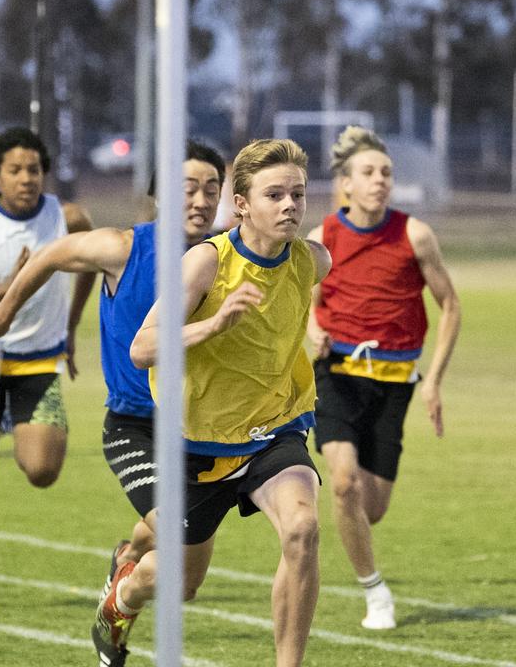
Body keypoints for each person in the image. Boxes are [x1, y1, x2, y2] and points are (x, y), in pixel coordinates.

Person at [105, 138, 331, 667]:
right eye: (274, 194)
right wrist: (214, 322)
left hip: (274, 431)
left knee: (303, 529)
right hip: (197, 447)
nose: (290, 205)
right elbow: (142, 348)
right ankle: (120, 600)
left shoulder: (310, 259)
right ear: (242, 204)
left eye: (297, 194)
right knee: (178, 584)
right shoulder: (206, 263)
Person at [0, 141, 227, 596]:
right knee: (177, 534)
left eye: (212, 188)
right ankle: (122, 601)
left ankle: (129, 556)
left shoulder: (228, 254)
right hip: (136, 424)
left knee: (185, 582)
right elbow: (51, 255)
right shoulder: (123, 249)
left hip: (201, 427)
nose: (201, 200)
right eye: (188, 187)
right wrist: (4, 312)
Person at [306, 126, 461, 630]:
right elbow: (305, 302)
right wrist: (313, 328)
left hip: (396, 381)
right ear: (346, 184)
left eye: (386, 173)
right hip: (338, 375)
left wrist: (433, 381)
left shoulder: (415, 234)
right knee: (344, 483)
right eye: (368, 173)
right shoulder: (321, 238)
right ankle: (375, 592)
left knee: (369, 509)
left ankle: (361, 554)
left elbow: (451, 307)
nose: (380, 181)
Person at [0, 126, 94, 611]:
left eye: (34, 169)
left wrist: (71, 326)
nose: (26, 178)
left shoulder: (68, 217)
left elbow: (92, 264)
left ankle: (21, 423)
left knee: (42, 470)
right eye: (15, 170)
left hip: (38, 364)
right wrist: (14, 283)